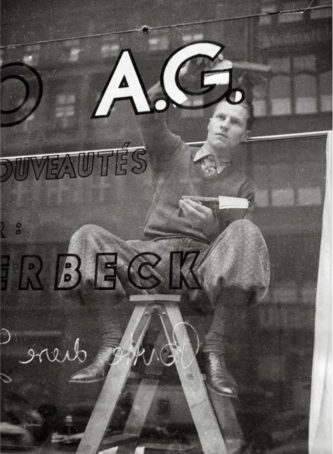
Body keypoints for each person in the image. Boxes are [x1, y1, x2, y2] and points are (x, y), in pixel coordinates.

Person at [65, 57, 270, 398]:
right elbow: (147, 112)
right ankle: (110, 343)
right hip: (148, 258)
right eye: (219, 117)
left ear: (244, 136)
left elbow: (238, 251)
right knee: (87, 236)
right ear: (208, 122)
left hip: (198, 270)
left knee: (247, 233)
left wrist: (213, 228)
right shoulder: (175, 152)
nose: (223, 125)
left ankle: (215, 353)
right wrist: (179, 80)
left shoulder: (243, 184)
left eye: (234, 122)